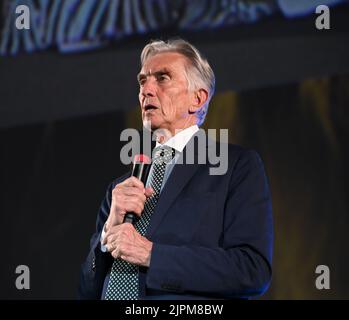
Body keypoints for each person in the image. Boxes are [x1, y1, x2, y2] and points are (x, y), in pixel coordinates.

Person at [78, 38, 273, 300]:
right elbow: (87, 291)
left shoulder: (235, 166)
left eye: (162, 78)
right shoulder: (121, 188)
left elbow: (251, 270)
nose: (146, 89)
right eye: (142, 81)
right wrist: (105, 236)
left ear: (198, 98)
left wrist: (150, 255)